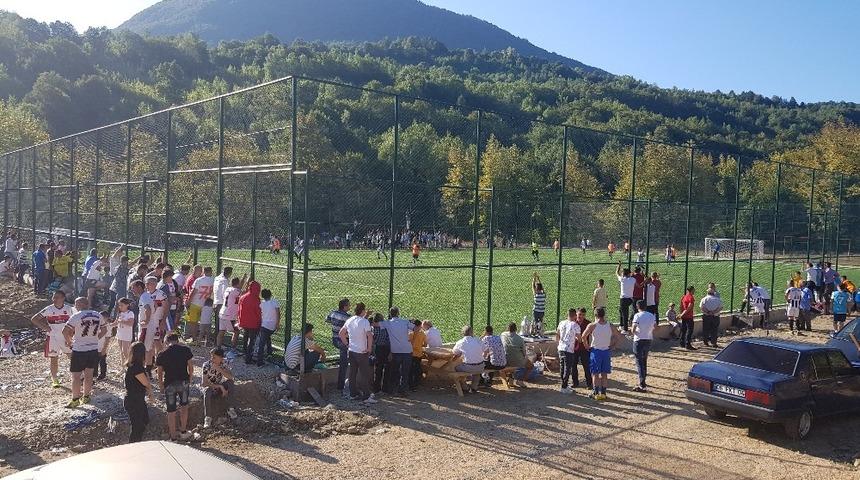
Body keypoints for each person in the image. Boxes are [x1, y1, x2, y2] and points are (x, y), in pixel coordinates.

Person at [63, 297, 107, 408]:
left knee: (76, 376)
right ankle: (86, 396)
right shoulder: (98, 315)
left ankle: (75, 399)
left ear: (80, 304)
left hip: (79, 349)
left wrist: (69, 342)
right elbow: (105, 330)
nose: (75, 306)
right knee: (89, 375)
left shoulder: (76, 316)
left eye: (76, 304)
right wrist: (96, 339)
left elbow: (65, 331)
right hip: (93, 349)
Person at [30, 290, 73, 388]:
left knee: (72, 356)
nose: (55, 299)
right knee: (54, 358)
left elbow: (75, 323)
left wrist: (71, 335)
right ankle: (55, 379)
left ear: (63, 298)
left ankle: (79, 375)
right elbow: (34, 319)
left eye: (57, 297)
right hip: (53, 337)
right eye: (54, 297)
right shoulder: (48, 309)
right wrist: (45, 328)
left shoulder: (69, 309)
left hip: (65, 336)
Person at [156, 333, 194, 441]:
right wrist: (190, 379)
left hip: (169, 384)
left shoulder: (162, 354)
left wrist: (161, 386)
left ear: (166, 342)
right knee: (184, 407)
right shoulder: (186, 350)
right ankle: (183, 431)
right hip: (183, 382)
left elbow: (159, 373)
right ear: (177, 340)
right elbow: (191, 367)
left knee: (171, 411)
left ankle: (172, 436)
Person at [338, 303, 377, 404]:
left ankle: (353, 394)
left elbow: (341, 333)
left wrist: (347, 344)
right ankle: (366, 396)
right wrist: (369, 348)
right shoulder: (364, 322)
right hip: (362, 351)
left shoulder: (350, 320)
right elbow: (369, 336)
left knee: (352, 373)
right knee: (364, 374)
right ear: (363, 311)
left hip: (351, 350)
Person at [582, 307, 622, 400]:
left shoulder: (592, 325)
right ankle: (603, 393)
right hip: (606, 351)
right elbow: (618, 336)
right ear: (604, 314)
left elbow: (584, 336)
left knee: (595, 374)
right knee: (604, 374)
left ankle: (596, 393)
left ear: (595, 315)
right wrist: (613, 346)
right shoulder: (610, 325)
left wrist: (587, 346)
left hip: (596, 351)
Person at [124, 342, 153, 443]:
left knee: (144, 421)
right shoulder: (136, 368)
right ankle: (132, 446)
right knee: (137, 426)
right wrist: (151, 393)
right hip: (133, 400)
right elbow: (145, 382)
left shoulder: (136, 366)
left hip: (138, 399)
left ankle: (137, 443)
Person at [382, 307, 414, 396]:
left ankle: (392, 390)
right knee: (405, 372)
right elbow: (416, 328)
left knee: (394, 371)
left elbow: (375, 324)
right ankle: (403, 390)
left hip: (396, 351)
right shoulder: (405, 322)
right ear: (398, 313)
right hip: (407, 350)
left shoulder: (387, 323)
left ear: (390, 314)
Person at [202, 347, 235, 429]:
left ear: (221, 358)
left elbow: (231, 377)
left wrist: (219, 369)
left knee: (230, 383)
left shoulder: (224, 363)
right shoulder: (206, 365)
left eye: (214, 357)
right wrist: (220, 386)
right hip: (211, 387)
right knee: (207, 392)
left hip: (219, 386)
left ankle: (230, 409)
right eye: (211, 356)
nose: (212, 359)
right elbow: (204, 383)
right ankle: (208, 417)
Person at [326, 298, 352, 391]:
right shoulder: (348, 317)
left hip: (334, 338)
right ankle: (341, 386)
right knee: (344, 364)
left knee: (344, 361)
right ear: (345, 307)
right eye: (349, 305)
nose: (350, 306)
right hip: (343, 341)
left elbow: (328, 320)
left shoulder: (333, 312)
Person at [631, 300, 656, 392]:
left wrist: (636, 333)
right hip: (648, 339)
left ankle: (642, 383)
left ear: (638, 307)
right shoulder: (651, 315)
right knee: (644, 359)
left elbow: (633, 329)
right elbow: (655, 327)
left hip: (639, 340)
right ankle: (643, 379)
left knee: (639, 361)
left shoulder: (637, 315)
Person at [452, 326, 486, 394]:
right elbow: (484, 350)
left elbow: (454, 352)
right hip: (481, 366)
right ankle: (474, 387)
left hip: (468, 367)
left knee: (456, 368)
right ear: (472, 332)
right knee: (477, 370)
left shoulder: (461, 342)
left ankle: (464, 387)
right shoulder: (478, 340)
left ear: (462, 333)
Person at [556, 308, 582, 394]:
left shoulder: (561, 323)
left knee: (562, 366)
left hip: (561, 347)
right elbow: (579, 338)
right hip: (569, 349)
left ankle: (564, 384)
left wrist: (559, 344)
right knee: (567, 368)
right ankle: (564, 386)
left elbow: (558, 334)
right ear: (575, 316)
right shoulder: (575, 325)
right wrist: (578, 340)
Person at [186, 266, 215, 343]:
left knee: (193, 322)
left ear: (203, 271)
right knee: (206, 322)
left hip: (196, 303)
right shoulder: (213, 280)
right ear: (211, 271)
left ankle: (195, 338)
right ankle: (206, 339)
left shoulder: (199, 280)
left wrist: (188, 301)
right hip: (206, 304)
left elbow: (193, 291)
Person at [237, 280, 262, 365]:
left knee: (245, 337)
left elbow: (239, 310)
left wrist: (239, 320)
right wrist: (260, 322)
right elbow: (258, 313)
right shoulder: (256, 299)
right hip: (253, 323)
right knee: (251, 341)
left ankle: (245, 353)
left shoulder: (243, 297)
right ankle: (248, 358)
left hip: (244, 321)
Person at [501, 322, 532, 387]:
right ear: (516, 329)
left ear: (507, 328)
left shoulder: (503, 335)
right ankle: (520, 381)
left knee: (513, 360)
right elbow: (524, 353)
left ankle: (511, 380)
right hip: (516, 361)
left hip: (505, 359)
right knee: (530, 366)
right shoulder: (520, 339)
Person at [217, 276, 244, 349]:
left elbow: (239, 288)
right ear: (237, 284)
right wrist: (246, 281)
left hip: (222, 312)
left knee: (221, 331)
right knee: (236, 331)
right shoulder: (236, 291)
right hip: (229, 315)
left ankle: (218, 347)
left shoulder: (228, 289)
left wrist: (243, 279)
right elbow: (243, 292)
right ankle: (233, 349)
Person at [256, 288, 280, 366]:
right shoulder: (274, 302)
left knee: (262, 342)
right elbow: (278, 313)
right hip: (272, 325)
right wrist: (277, 323)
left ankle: (261, 360)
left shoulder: (261, 303)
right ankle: (268, 354)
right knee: (266, 339)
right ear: (270, 294)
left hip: (264, 325)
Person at [370, 313, 390, 393]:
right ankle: (385, 387)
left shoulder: (374, 328)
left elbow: (374, 339)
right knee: (387, 369)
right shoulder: (386, 327)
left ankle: (376, 387)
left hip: (378, 348)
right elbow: (388, 339)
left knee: (378, 369)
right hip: (386, 348)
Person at [615, 263, 635, 333]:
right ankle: (621, 325)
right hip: (630, 299)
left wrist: (619, 265)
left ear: (624, 274)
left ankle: (625, 329)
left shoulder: (622, 279)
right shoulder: (633, 279)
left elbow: (617, 273)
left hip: (623, 299)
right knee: (621, 310)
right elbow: (632, 274)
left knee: (624, 314)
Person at [115, 297, 135, 365]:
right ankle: (123, 366)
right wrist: (109, 324)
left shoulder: (130, 313)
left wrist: (122, 321)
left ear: (127, 305)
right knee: (121, 352)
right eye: (119, 305)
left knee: (125, 351)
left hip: (126, 335)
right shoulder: (119, 313)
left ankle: (130, 364)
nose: (120, 307)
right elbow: (116, 323)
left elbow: (130, 324)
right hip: (119, 334)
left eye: (122, 305)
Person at [96, 310, 114, 380]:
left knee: (102, 361)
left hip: (102, 347)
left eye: (102, 318)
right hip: (95, 347)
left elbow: (107, 339)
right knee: (95, 361)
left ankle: (103, 374)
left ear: (107, 318)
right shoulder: (97, 325)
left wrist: (104, 348)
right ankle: (95, 374)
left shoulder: (108, 326)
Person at [409, 319, 426, 390]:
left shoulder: (410, 333)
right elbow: (425, 343)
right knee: (417, 369)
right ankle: (415, 384)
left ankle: (411, 385)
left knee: (411, 370)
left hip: (411, 354)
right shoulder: (422, 333)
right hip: (419, 354)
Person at [679, 286, 696, 350]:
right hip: (689, 316)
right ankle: (688, 344)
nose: (694, 291)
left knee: (683, 330)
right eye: (694, 290)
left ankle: (682, 342)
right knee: (690, 330)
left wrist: (681, 314)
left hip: (684, 316)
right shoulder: (691, 298)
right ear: (691, 290)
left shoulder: (684, 296)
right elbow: (689, 307)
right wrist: (682, 314)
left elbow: (681, 306)